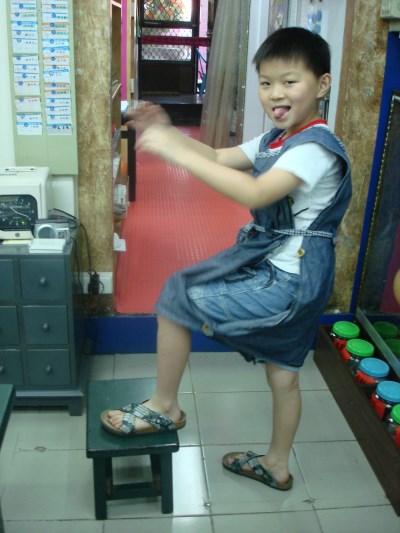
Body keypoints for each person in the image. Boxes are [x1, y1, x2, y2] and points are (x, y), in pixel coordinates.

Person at [101, 26, 352, 491]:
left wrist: (174, 152)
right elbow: (218, 156)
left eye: (290, 81)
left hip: (289, 282)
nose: (275, 94)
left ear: (322, 84)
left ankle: (165, 406)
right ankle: (277, 465)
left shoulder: (315, 149)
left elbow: (256, 192)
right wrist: (166, 132)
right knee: (284, 375)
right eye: (266, 83)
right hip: (296, 277)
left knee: (176, 296)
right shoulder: (279, 139)